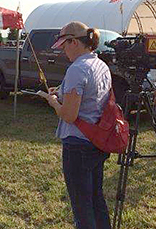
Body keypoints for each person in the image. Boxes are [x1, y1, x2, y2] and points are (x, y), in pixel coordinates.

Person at [46, 21, 112, 229]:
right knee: (96, 200)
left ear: (74, 42)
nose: (64, 50)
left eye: (64, 45)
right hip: (96, 140)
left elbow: (69, 115)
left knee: (82, 208)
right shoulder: (101, 65)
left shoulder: (77, 69)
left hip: (78, 145)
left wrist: (53, 101)